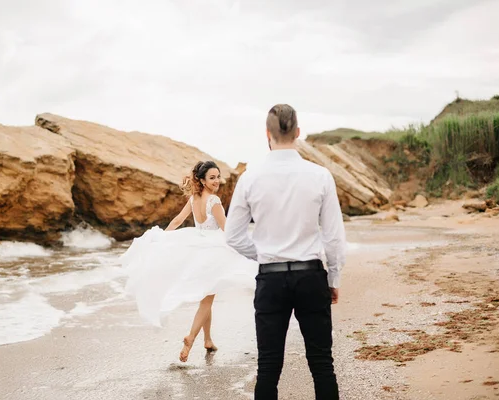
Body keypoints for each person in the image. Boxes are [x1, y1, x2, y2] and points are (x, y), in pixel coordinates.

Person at [225, 104, 346, 400]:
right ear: (298, 133)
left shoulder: (250, 178)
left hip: (270, 280)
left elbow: (233, 235)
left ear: (267, 134)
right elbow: (333, 237)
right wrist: (333, 279)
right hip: (311, 277)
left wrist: (264, 256)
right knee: (321, 364)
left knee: (268, 366)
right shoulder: (320, 176)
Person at [120, 160, 257, 363]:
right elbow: (227, 230)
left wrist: (162, 239)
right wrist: (247, 249)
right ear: (201, 180)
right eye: (212, 178)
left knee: (207, 296)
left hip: (198, 250)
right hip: (213, 253)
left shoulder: (194, 198)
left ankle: (208, 340)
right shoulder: (215, 201)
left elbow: (177, 220)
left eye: (218, 177)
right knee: (207, 299)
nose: (217, 181)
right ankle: (190, 338)